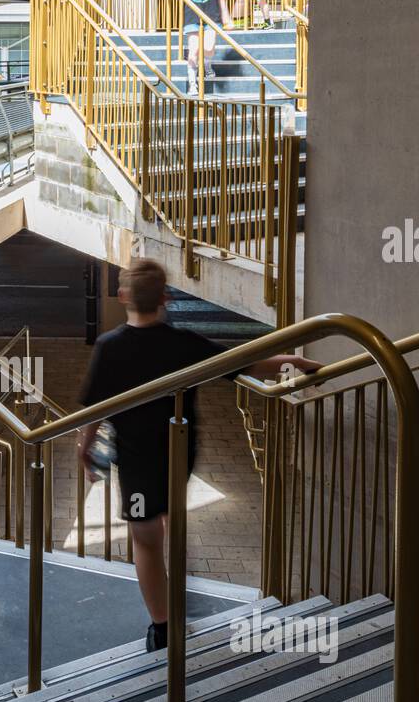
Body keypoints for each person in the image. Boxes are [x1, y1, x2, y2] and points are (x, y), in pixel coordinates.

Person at [76, 259, 320, 652]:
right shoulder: (184, 343)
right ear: (166, 298)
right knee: (171, 513)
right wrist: (300, 363)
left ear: (123, 297)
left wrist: (85, 451)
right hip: (179, 455)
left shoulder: (109, 348)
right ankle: (179, 567)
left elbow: (94, 410)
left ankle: (162, 626)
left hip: (136, 464)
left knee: (145, 542)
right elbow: (247, 362)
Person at [177, 0, 231, 86]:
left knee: (208, 48)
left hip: (212, 17)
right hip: (192, 17)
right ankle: (193, 84)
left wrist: (226, 18)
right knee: (193, 49)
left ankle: (207, 65)